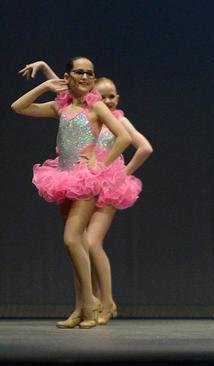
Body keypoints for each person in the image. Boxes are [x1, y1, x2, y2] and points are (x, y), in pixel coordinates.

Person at [19, 62, 153, 325]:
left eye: (89, 73)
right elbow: (19, 107)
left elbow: (128, 139)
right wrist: (46, 81)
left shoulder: (97, 108)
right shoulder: (62, 107)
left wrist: (103, 165)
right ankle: (80, 307)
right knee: (77, 246)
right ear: (69, 77)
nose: (85, 76)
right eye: (79, 72)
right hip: (63, 178)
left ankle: (96, 302)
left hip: (89, 180)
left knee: (76, 240)